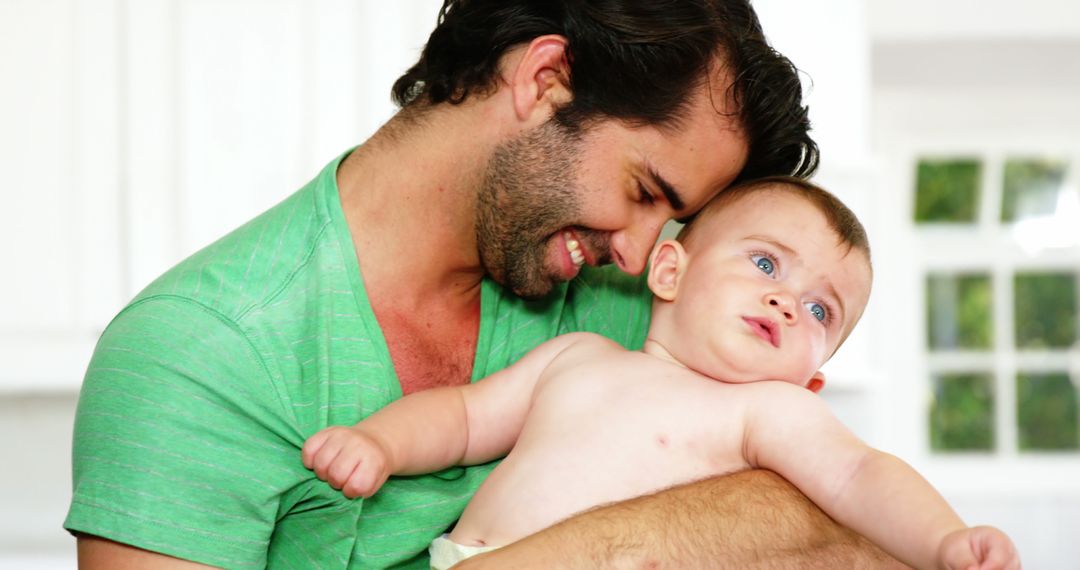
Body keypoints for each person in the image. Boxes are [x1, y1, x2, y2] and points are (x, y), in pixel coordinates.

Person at [64, 0, 898, 568]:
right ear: (544, 82)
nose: (645, 257)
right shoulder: (196, 355)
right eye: (645, 191)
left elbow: (858, 526)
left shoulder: (659, 302)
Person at [303, 178, 1021, 570]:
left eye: (820, 311)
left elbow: (861, 477)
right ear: (671, 271)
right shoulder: (578, 358)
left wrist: (943, 542)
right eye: (766, 263)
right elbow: (461, 419)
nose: (786, 301)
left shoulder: (765, 415)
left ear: (812, 380)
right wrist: (382, 444)